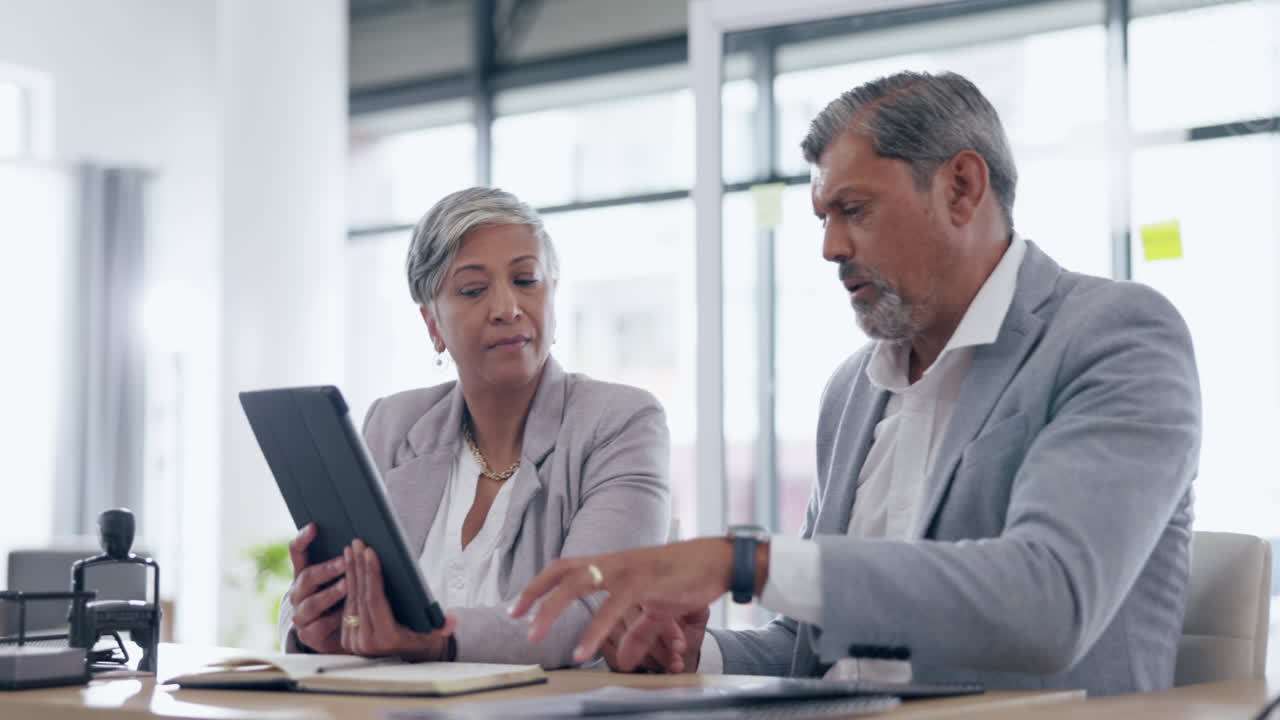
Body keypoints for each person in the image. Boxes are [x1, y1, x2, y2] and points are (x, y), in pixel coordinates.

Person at [512, 71, 1201, 695]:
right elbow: (813, 651)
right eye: (824, 217)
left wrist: (743, 561)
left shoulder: (1115, 336)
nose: (831, 248)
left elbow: (1049, 603)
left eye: (855, 210)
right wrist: (699, 657)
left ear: (962, 187)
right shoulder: (852, 390)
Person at [279, 186, 671, 667]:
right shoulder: (393, 424)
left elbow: (592, 610)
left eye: (526, 280)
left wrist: (432, 639)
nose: (508, 307)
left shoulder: (620, 422)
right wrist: (316, 625)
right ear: (433, 325)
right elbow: (318, 602)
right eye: (472, 290)